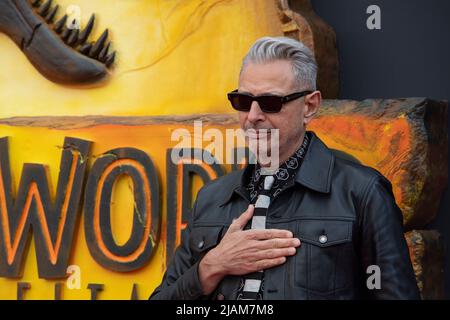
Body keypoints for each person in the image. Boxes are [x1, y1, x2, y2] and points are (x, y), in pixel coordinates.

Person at [150, 36, 420, 300]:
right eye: (243, 101)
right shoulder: (211, 199)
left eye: (270, 102)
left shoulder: (362, 192)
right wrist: (212, 265)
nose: (253, 116)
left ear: (309, 106)